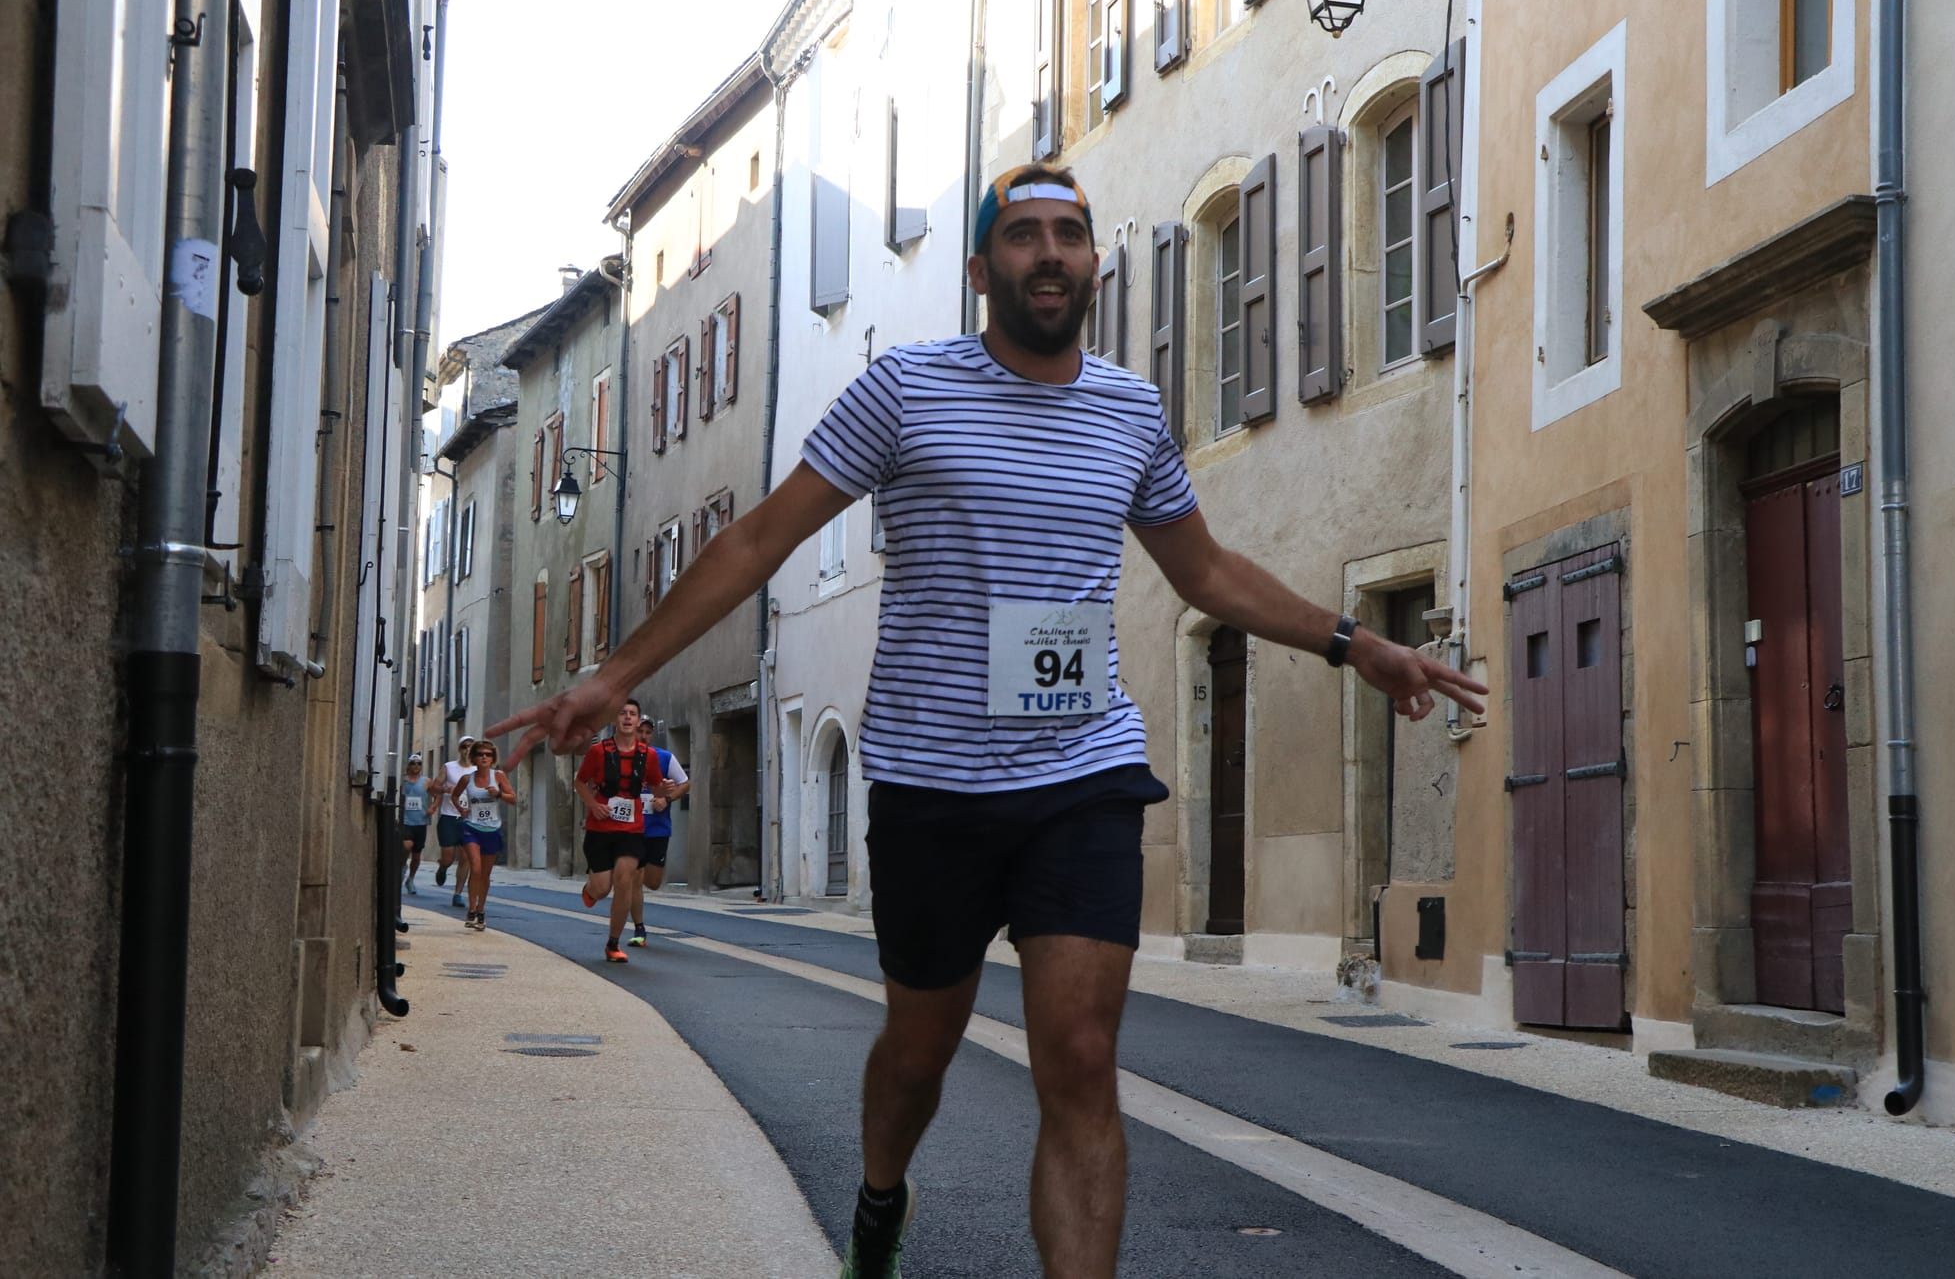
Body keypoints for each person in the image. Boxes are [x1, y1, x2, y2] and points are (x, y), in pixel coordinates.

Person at [493, 164, 1486, 1279]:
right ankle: (878, 1200)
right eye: (1022, 236)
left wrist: (1360, 645)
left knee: (1080, 1053)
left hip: (1083, 770)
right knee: (918, 1054)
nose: (1049, 253)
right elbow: (757, 541)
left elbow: (1203, 570)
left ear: (1094, 261)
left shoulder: (1128, 409)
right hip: (932, 783)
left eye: (1068, 234)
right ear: (980, 270)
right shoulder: (904, 392)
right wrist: (610, 674)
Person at [573, 700, 665, 962]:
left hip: (631, 829)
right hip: (600, 827)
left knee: (625, 879)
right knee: (603, 889)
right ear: (615, 720)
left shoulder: (649, 755)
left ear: (638, 722)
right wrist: (593, 805)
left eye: (632, 714)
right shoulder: (599, 752)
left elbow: (656, 787)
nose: (627, 718)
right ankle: (590, 890)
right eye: (622, 713)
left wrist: (664, 793)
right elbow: (580, 782)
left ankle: (613, 943)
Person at [630, 717, 692, 948]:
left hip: (657, 828)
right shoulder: (623, 758)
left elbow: (685, 783)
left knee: (653, 882)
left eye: (648, 732)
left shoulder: (664, 758)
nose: (643, 736)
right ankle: (639, 928)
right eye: (640, 731)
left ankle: (634, 876)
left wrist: (666, 800)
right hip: (631, 829)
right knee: (634, 878)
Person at [449, 738, 515, 930]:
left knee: (485, 874)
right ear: (474, 758)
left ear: (493, 758)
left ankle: (480, 909)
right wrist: (462, 811)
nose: (484, 757)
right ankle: (471, 909)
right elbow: (454, 795)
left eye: (488, 754)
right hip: (471, 827)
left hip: (492, 829)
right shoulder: (467, 779)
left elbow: (513, 798)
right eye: (480, 754)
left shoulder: (499, 776)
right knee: (475, 868)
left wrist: (499, 794)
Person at [429, 735, 475, 907]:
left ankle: (457, 893)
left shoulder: (478, 769)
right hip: (449, 816)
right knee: (448, 857)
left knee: (465, 857)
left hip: (468, 818)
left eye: (471, 746)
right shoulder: (449, 767)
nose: (467, 749)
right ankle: (443, 867)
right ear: (459, 749)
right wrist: (446, 789)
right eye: (464, 746)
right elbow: (433, 787)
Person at [399, 754, 436, 894]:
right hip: (406, 821)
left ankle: (411, 879)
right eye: (413, 763)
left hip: (420, 821)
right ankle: (402, 867)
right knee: (407, 845)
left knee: (416, 855)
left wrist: (433, 807)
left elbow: (437, 795)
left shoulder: (426, 781)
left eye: (419, 763)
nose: (416, 766)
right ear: (408, 765)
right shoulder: (403, 782)